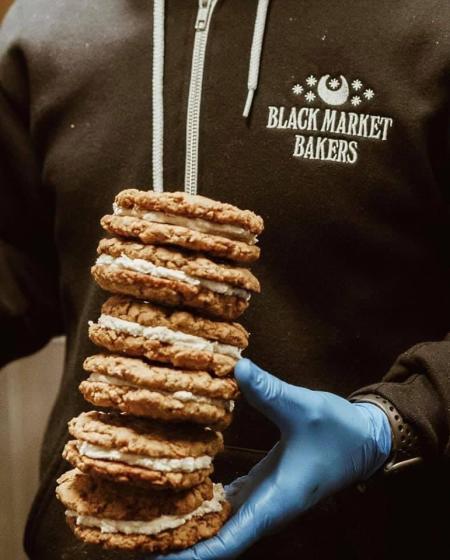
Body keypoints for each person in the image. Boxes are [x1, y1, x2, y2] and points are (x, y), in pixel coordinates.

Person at [1, 1, 449, 558]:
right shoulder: (48, 25)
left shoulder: (432, 23)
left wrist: (399, 420)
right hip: (90, 537)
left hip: (367, 532)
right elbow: (18, 265)